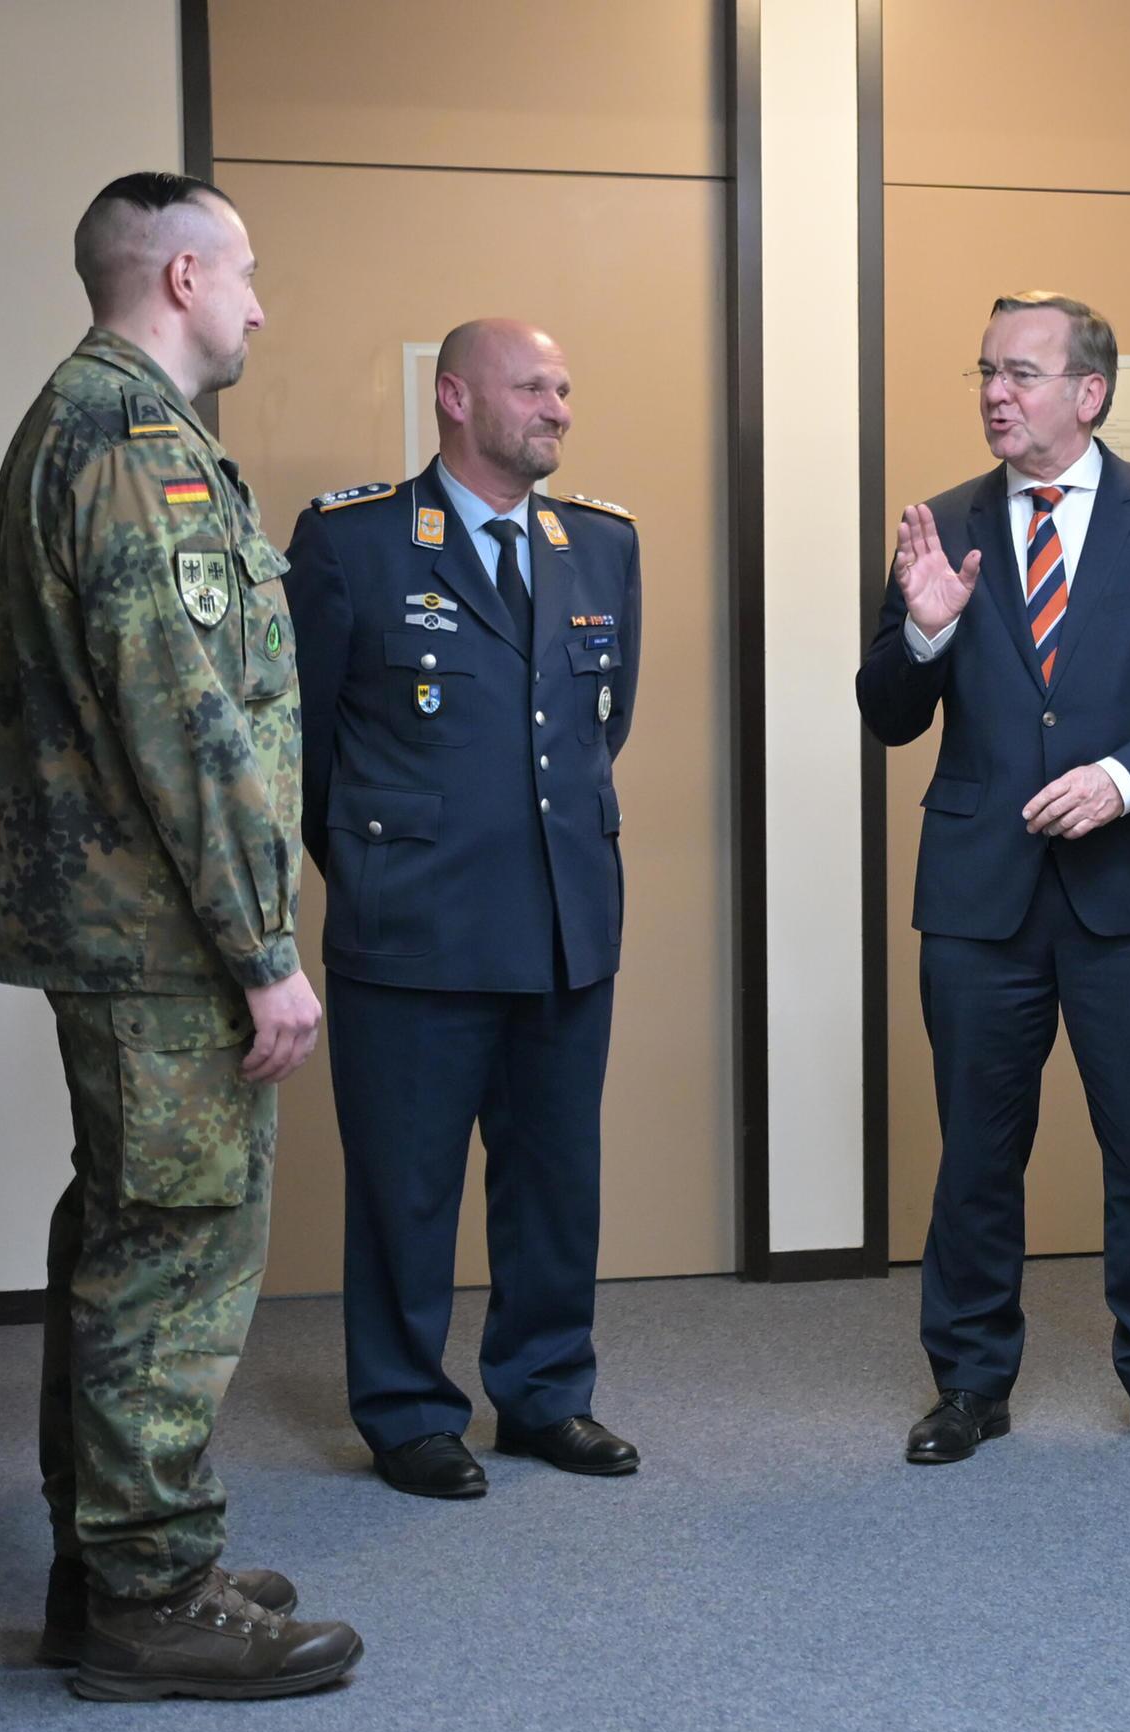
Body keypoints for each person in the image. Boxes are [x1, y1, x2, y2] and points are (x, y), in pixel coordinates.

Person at [0, 172, 360, 1701]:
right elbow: (186, 722)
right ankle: (152, 1593)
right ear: (180, 277)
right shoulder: (129, 444)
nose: (262, 304)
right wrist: (264, 949)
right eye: (244, 272)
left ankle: (110, 1564)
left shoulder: (105, 426)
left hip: (131, 923)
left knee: (130, 1233)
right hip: (163, 936)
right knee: (177, 1250)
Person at [859, 290, 1130, 1467]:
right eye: (986, 371)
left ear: (1090, 393)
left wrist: (1124, 779)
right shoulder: (942, 523)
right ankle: (970, 1382)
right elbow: (889, 711)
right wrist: (926, 633)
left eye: (1022, 373)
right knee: (976, 1153)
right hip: (981, 891)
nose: (997, 393)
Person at [286, 318, 642, 1499]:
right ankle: (406, 1411)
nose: (558, 407)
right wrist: (379, 867)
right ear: (454, 397)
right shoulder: (355, 541)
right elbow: (307, 751)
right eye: (533, 386)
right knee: (408, 1186)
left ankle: (546, 1393)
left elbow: (597, 733)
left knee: (555, 1181)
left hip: (563, 923)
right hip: (415, 928)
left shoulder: (600, 544)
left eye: (564, 387)